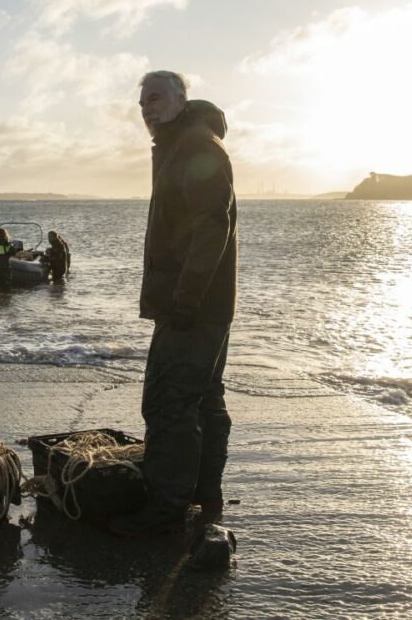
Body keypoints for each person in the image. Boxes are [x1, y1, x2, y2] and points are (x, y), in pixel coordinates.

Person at [109, 70, 237, 537]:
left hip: (194, 305)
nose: (147, 108)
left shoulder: (196, 147)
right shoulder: (180, 145)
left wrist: (185, 301)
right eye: (143, 102)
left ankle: (164, 512)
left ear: (182, 100)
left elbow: (211, 226)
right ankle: (206, 495)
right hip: (206, 303)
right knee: (203, 399)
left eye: (157, 99)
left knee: (168, 402)